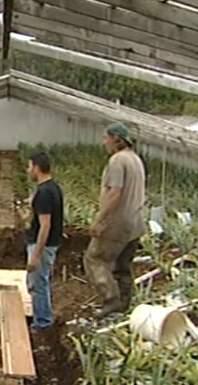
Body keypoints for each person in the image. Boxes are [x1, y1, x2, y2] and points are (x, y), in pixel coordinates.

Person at [84, 122, 147, 317]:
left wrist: (100, 220)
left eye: (106, 138)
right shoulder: (136, 159)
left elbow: (115, 193)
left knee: (94, 259)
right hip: (135, 222)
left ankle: (110, 300)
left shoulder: (117, 161)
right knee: (122, 264)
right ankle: (124, 302)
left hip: (117, 222)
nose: (104, 143)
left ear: (116, 139)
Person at [25, 152, 64, 331]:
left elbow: (45, 225)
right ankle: (41, 320)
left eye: (29, 166)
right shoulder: (53, 187)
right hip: (49, 245)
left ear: (36, 168)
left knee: (39, 284)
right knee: (38, 282)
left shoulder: (44, 193)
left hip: (43, 246)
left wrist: (35, 256)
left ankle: (42, 323)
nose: (28, 171)